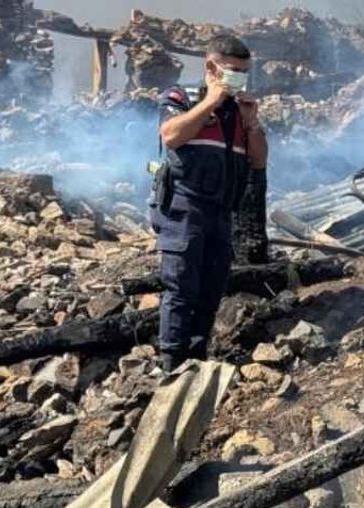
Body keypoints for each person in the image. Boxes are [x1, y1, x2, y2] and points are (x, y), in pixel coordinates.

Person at [152, 34, 268, 371]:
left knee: (212, 287)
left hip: (222, 209)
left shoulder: (239, 110)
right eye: (232, 70)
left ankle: (196, 359)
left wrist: (252, 122)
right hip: (185, 205)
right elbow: (171, 135)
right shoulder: (182, 97)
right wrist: (211, 102)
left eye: (244, 72)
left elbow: (259, 160)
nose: (238, 78)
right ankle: (171, 365)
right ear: (211, 67)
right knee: (181, 285)